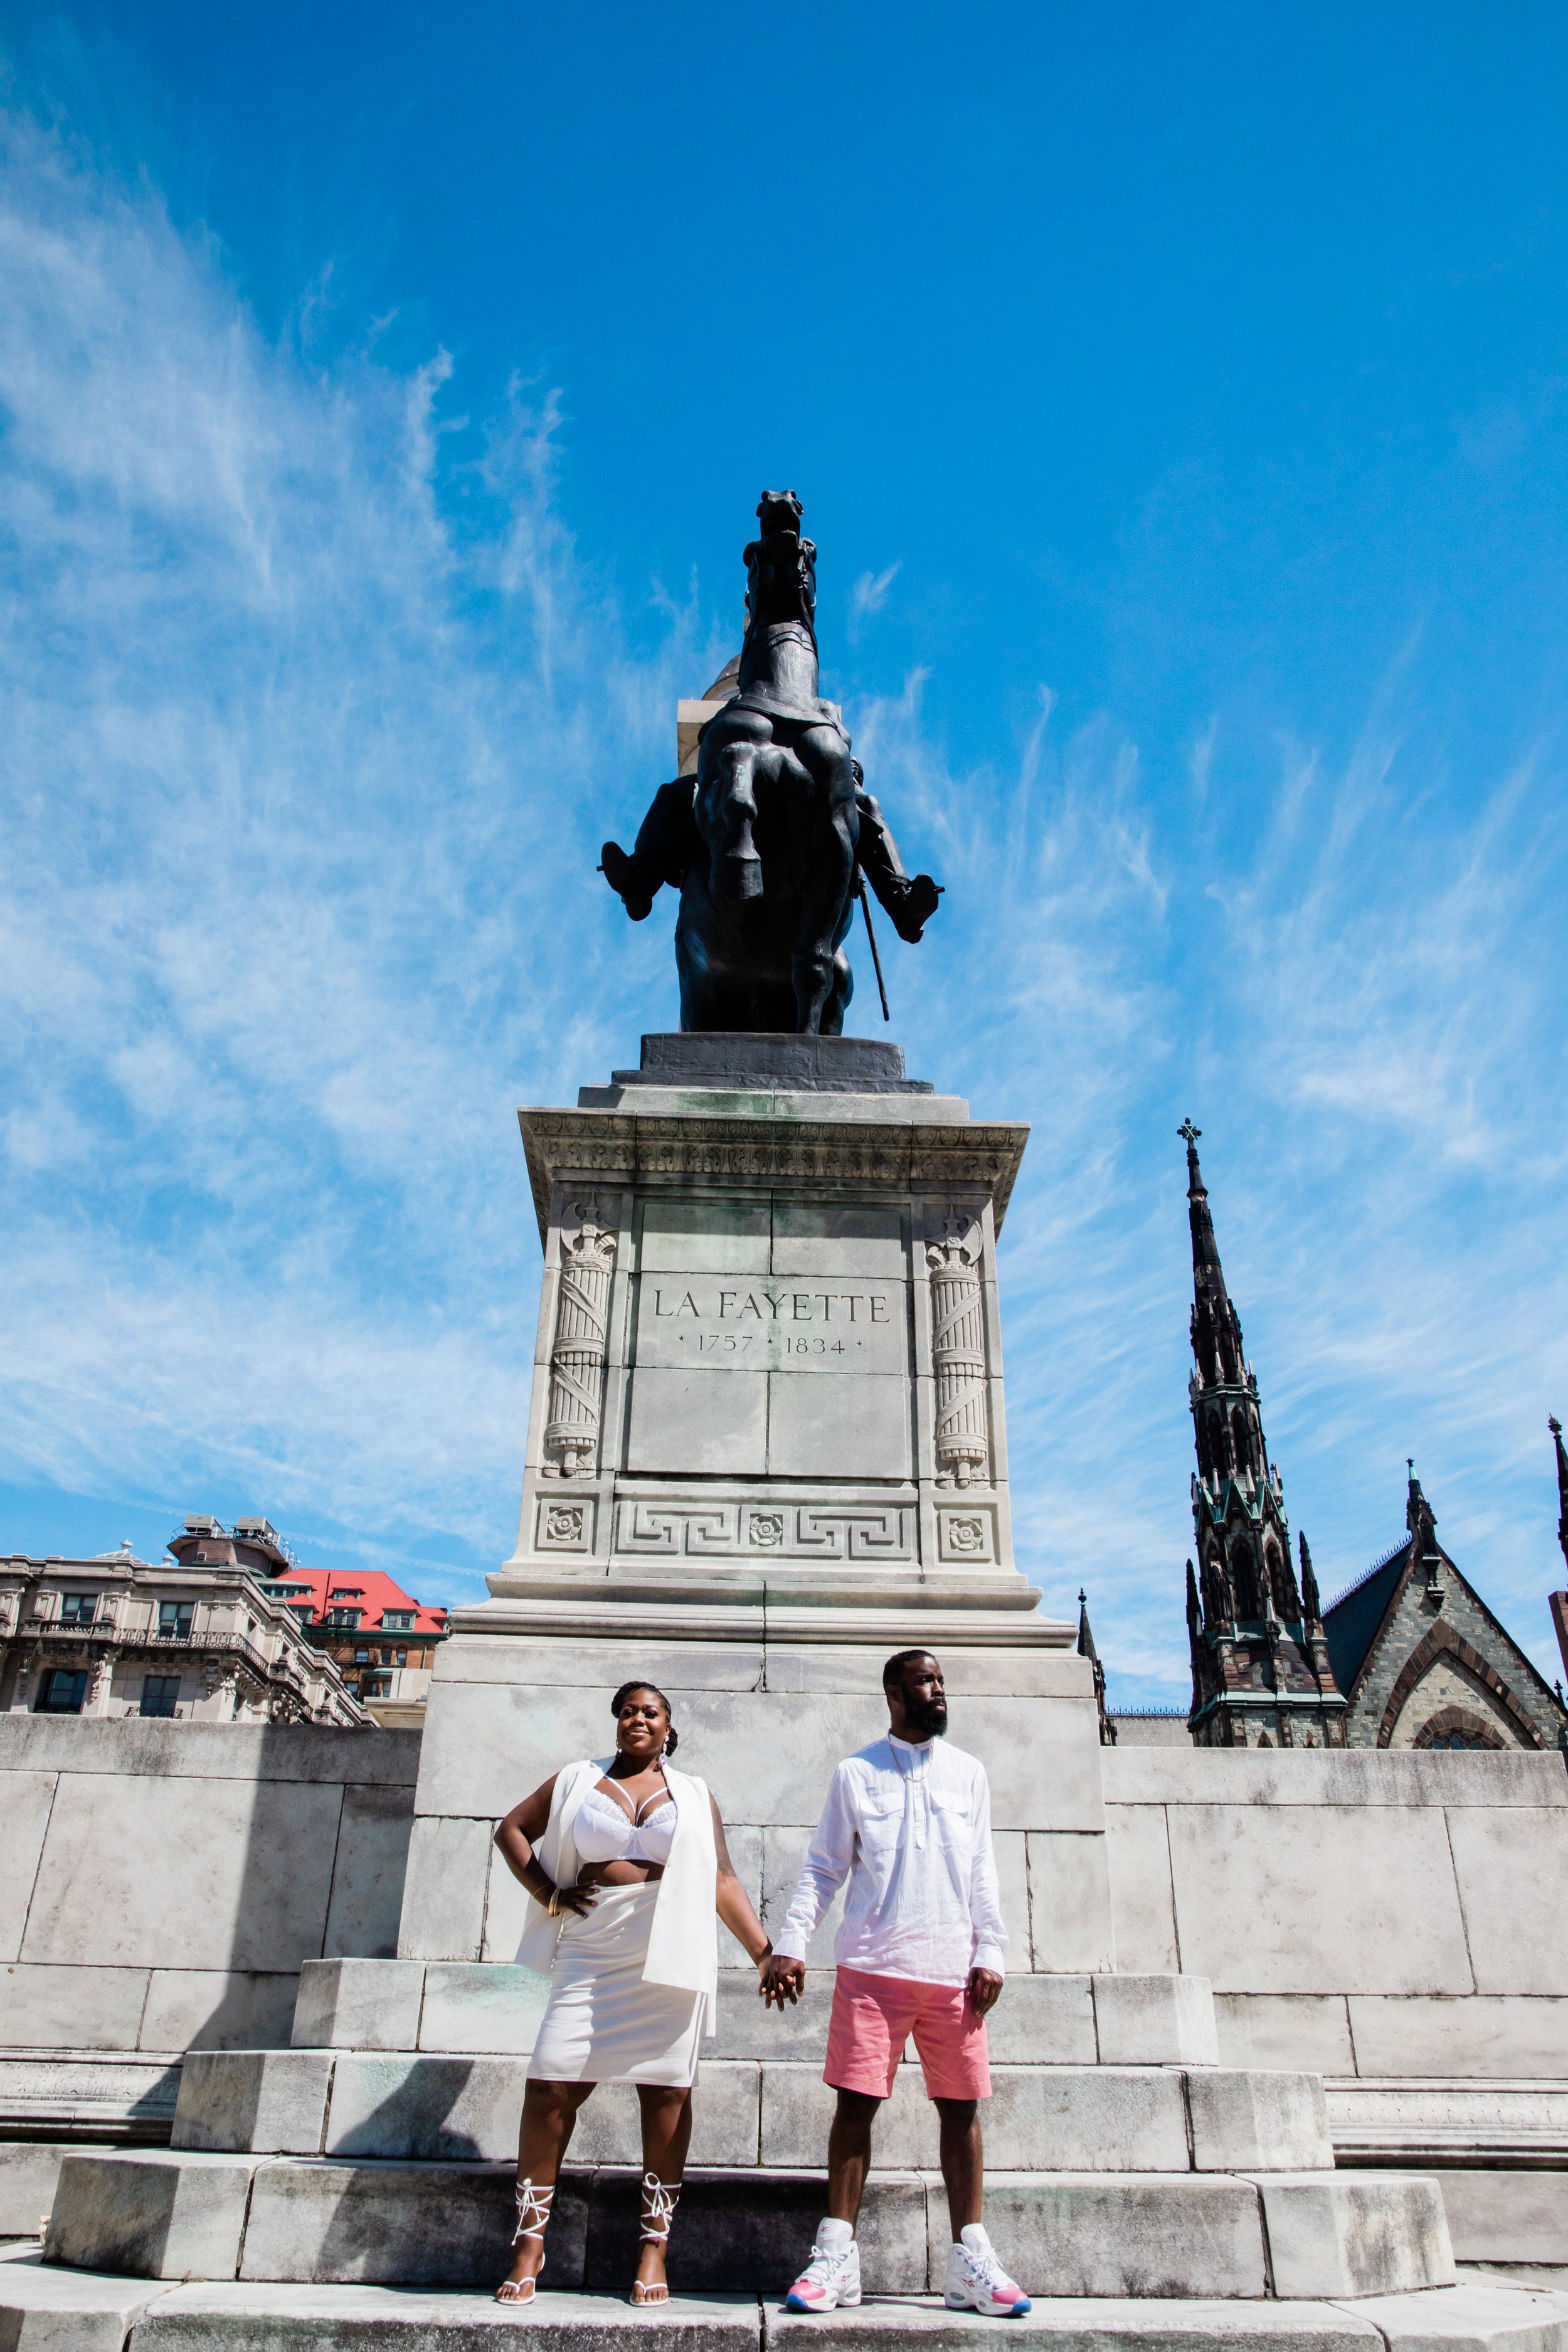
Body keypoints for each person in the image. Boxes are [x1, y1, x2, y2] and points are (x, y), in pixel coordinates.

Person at [761, 1648, 1032, 2318]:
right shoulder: (855, 1773)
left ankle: (971, 2258)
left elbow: (981, 1868)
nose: (938, 1692)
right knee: (855, 2107)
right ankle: (835, 2257)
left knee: (961, 2110)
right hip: (872, 1967)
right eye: (925, 1682)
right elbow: (824, 1868)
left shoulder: (968, 1773)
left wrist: (991, 1948)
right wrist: (791, 1942)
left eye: (941, 1681)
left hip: (952, 1971)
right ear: (893, 1692)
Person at [492, 1680, 779, 2305]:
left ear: (667, 1727)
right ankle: (530, 2241)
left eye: (648, 1712)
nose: (636, 1720)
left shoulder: (695, 1795)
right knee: (548, 2084)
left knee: (667, 2095)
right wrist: (548, 1893)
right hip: (592, 1948)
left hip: (668, 1946)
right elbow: (512, 1830)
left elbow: (722, 1878)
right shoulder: (576, 1780)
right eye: (626, 1711)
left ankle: (654, 2246)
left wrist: (764, 1952)